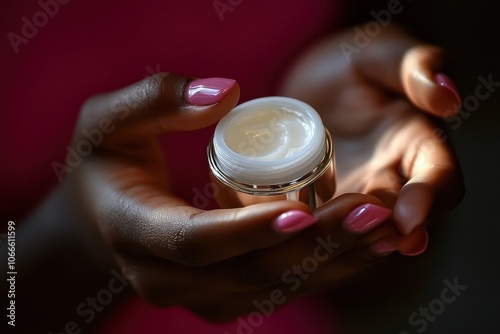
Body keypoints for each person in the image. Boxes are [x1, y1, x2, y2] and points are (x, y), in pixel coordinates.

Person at [0, 0, 464, 333]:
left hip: (274, 303)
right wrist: (71, 235)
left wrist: (364, 66)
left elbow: (385, 289)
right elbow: (12, 307)